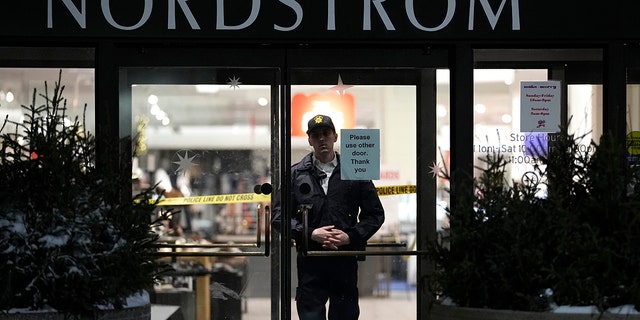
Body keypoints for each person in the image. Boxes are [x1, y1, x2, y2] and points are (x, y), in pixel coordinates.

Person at [272, 114, 385, 320]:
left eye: (325, 133)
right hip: (311, 263)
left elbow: (375, 214)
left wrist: (350, 236)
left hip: (344, 260)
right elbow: (279, 216)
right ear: (309, 140)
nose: (321, 139)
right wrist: (311, 233)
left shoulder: (355, 171)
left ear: (334, 136)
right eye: (316, 135)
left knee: (345, 315)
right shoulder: (296, 174)